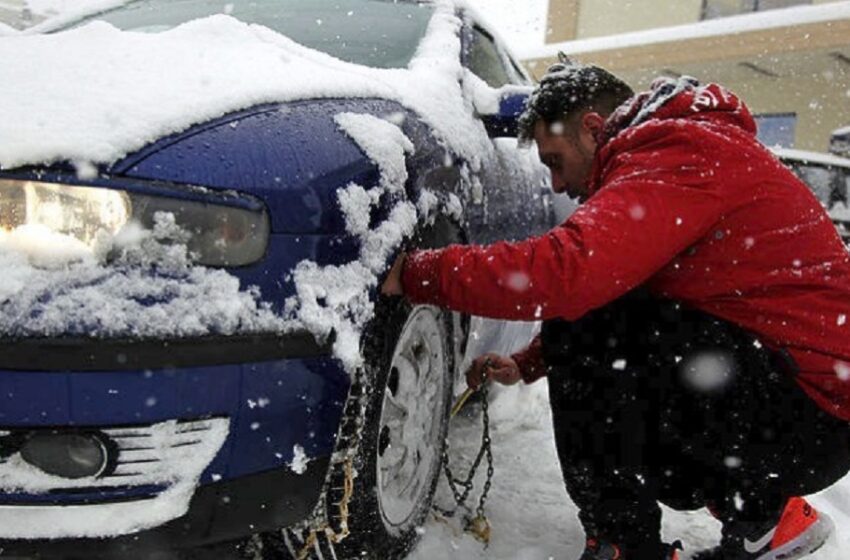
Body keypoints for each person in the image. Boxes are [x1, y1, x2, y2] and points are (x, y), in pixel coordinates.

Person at [381, 59, 850, 560]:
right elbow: (627, 289)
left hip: (806, 412)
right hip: (802, 401)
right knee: (597, 311)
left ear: (592, 128)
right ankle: (765, 520)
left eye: (556, 161)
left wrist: (416, 272)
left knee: (584, 309)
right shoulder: (686, 147)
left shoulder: (680, 151)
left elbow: (568, 276)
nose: (557, 185)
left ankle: (627, 545)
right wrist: (530, 360)